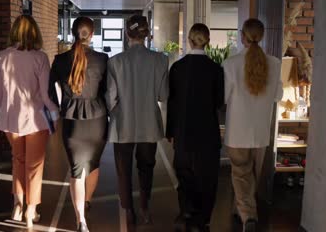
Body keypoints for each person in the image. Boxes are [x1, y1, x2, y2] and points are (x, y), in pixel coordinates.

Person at [0, 15, 59, 228]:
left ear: (14, 32)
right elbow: (46, 95)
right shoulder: (40, 57)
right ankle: (31, 210)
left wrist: (1, 112)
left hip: (11, 119)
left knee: (18, 161)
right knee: (34, 166)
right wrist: (55, 113)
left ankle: (17, 206)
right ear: (35, 33)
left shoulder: (2, 56)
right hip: (35, 120)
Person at [106, 15, 169, 227]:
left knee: (123, 169)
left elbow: (111, 98)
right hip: (149, 123)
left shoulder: (115, 62)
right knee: (147, 166)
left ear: (127, 34)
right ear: (146, 33)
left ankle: (128, 210)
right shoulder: (161, 60)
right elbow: (163, 95)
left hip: (122, 124)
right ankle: (145, 205)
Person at [222, 18, 283, 232]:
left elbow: (224, 96)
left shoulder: (230, 64)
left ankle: (248, 215)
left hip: (237, 130)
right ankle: (240, 208)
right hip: (260, 131)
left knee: (240, 172)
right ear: (262, 36)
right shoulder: (275, 64)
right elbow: (278, 95)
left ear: (242, 36)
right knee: (253, 174)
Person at [49, 17, 108, 232]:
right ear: (91, 34)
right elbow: (107, 91)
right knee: (93, 165)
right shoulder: (102, 59)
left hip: (72, 121)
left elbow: (49, 91)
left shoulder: (60, 59)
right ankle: (87, 202)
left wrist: (60, 107)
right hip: (97, 120)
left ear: (73, 32)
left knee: (76, 171)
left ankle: (80, 220)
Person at [166, 23, 224, 232]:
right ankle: (204, 218)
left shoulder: (178, 68)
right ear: (207, 41)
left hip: (183, 131)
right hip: (208, 132)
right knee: (207, 177)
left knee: (184, 173)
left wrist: (170, 132)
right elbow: (219, 102)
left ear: (189, 40)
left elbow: (171, 102)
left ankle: (186, 212)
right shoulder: (216, 69)